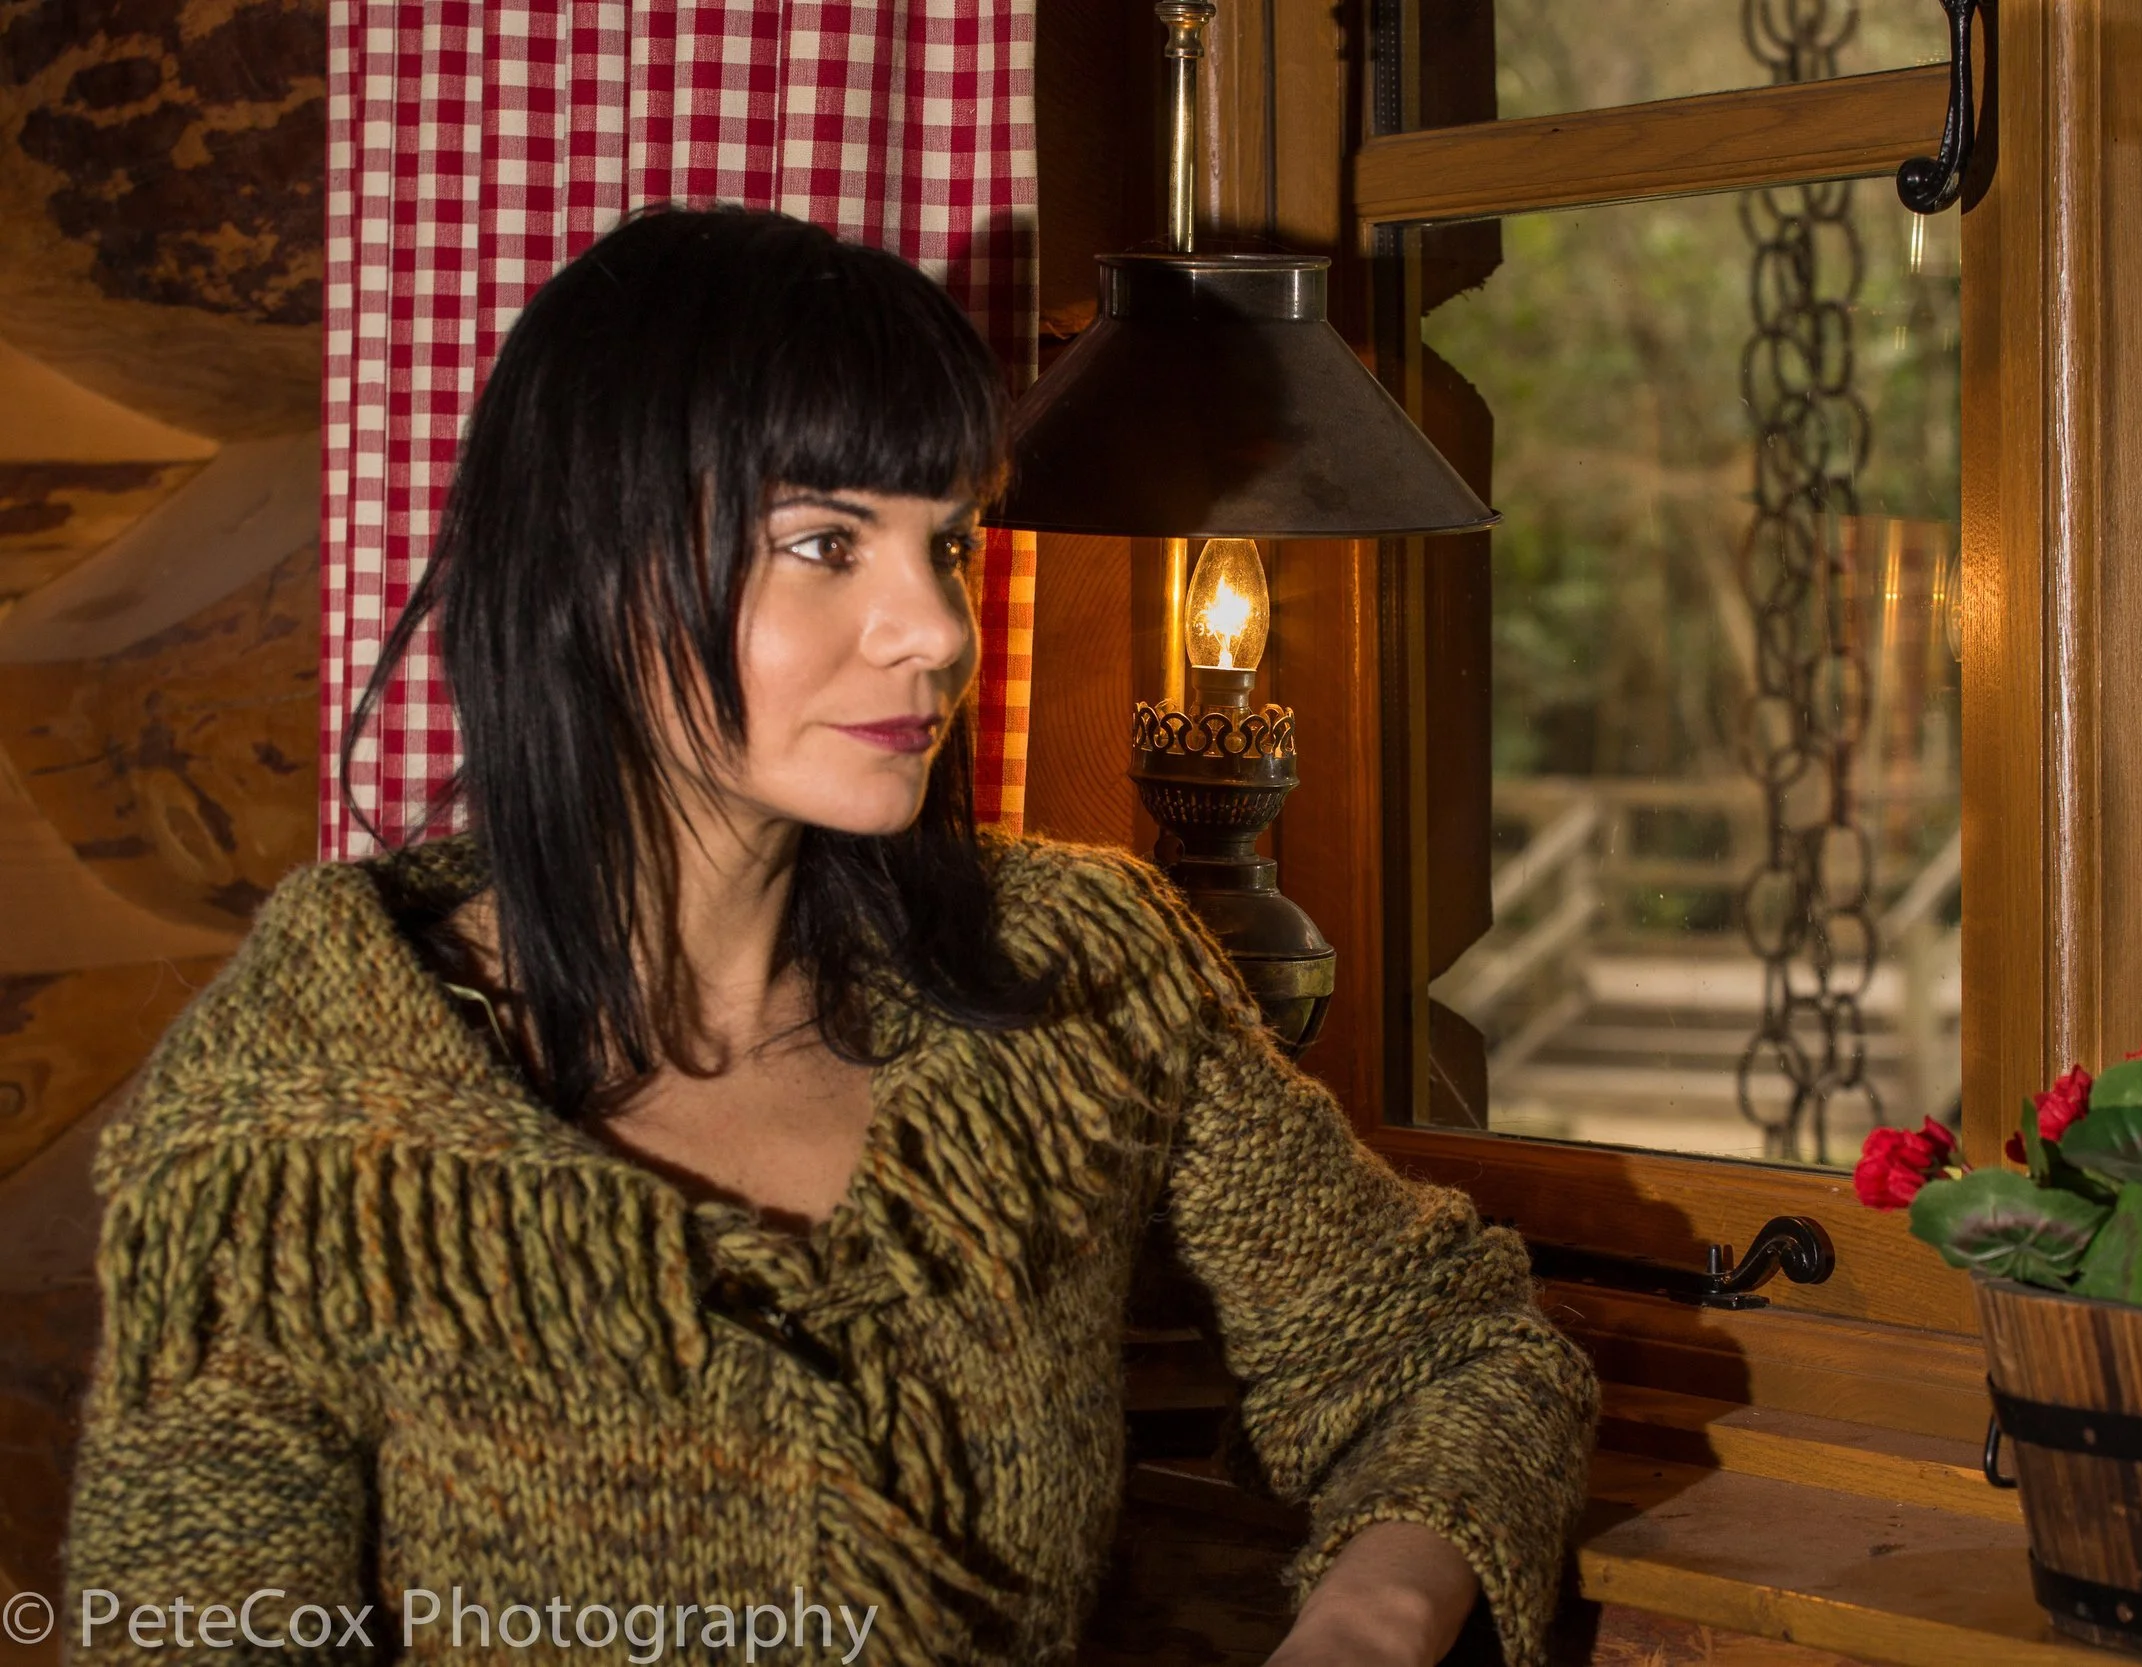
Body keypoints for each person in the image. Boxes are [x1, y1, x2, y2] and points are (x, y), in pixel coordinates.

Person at [60, 204, 1598, 1666]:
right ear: (595, 567)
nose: (935, 629)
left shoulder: (1083, 975)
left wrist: (1367, 1622)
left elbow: (1451, 1354)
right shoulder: (298, 1113)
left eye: (950, 541)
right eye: (823, 543)